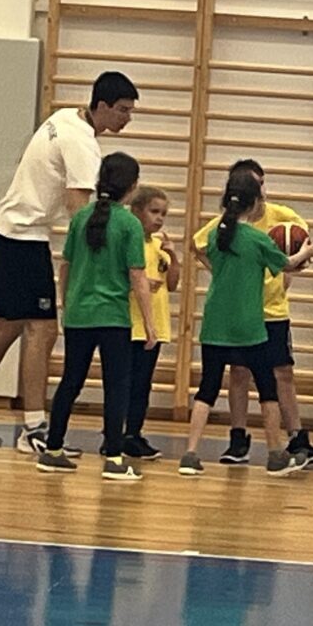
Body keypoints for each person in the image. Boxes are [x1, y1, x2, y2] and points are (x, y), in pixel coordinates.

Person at [0, 72, 139, 455]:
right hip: (23, 236)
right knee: (43, 330)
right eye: (122, 110)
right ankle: (33, 428)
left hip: (7, 227)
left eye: (130, 111)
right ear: (101, 105)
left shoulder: (66, 116)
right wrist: (97, 259)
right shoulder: (82, 144)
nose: (127, 118)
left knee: (9, 325)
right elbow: (79, 211)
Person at [192, 160, 313, 466]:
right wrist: (223, 276)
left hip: (273, 310)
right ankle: (238, 440)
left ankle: (297, 439)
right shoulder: (223, 226)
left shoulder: (282, 217)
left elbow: (297, 252)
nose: (262, 191)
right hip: (243, 312)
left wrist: (288, 275)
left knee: (283, 373)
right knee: (239, 374)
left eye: (262, 183)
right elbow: (196, 245)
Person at [35, 152, 155, 480]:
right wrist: (149, 323)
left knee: (70, 382)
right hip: (113, 318)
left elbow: (66, 266)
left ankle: (52, 449)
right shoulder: (129, 224)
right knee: (117, 386)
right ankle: (114, 458)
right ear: (132, 186)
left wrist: (66, 304)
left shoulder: (80, 218)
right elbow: (137, 276)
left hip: (79, 316)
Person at [123, 186, 178, 459]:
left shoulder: (159, 246)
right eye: (154, 211)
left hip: (155, 324)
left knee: (143, 383)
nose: (159, 219)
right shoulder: (127, 241)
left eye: (163, 214)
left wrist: (174, 256)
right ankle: (117, 433)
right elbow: (120, 277)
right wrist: (140, 283)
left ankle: (134, 433)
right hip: (131, 322)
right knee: (126, 382)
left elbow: (173, 283)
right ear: (136, 211)